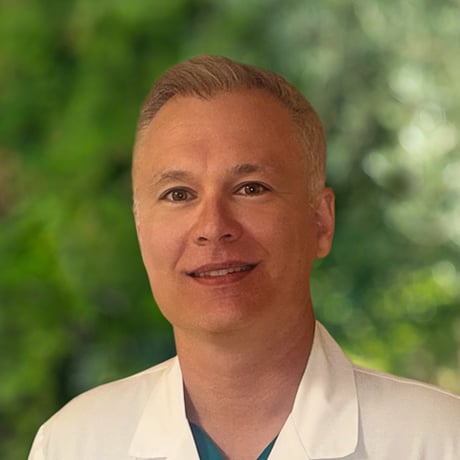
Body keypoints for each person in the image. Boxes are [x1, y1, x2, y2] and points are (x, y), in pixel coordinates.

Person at [28, 55, 460, 460]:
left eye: (250, 188)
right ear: (141, 229)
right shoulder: (72, 444)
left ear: (321, 222)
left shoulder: (438, 439)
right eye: (178, 194)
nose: (213, 226)